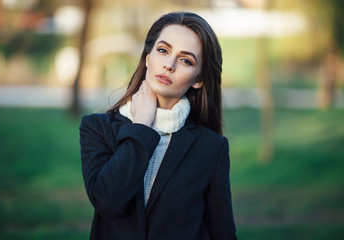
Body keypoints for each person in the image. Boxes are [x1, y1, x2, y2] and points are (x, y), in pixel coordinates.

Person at [79, 11, 238, 240]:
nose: (169, 65)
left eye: (186, 60)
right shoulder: (97, 128)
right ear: (147, 57)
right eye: (163, 50)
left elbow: (222, 232)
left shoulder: (212, 148)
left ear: (198, 79)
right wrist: (141, 125)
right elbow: (108, 202)